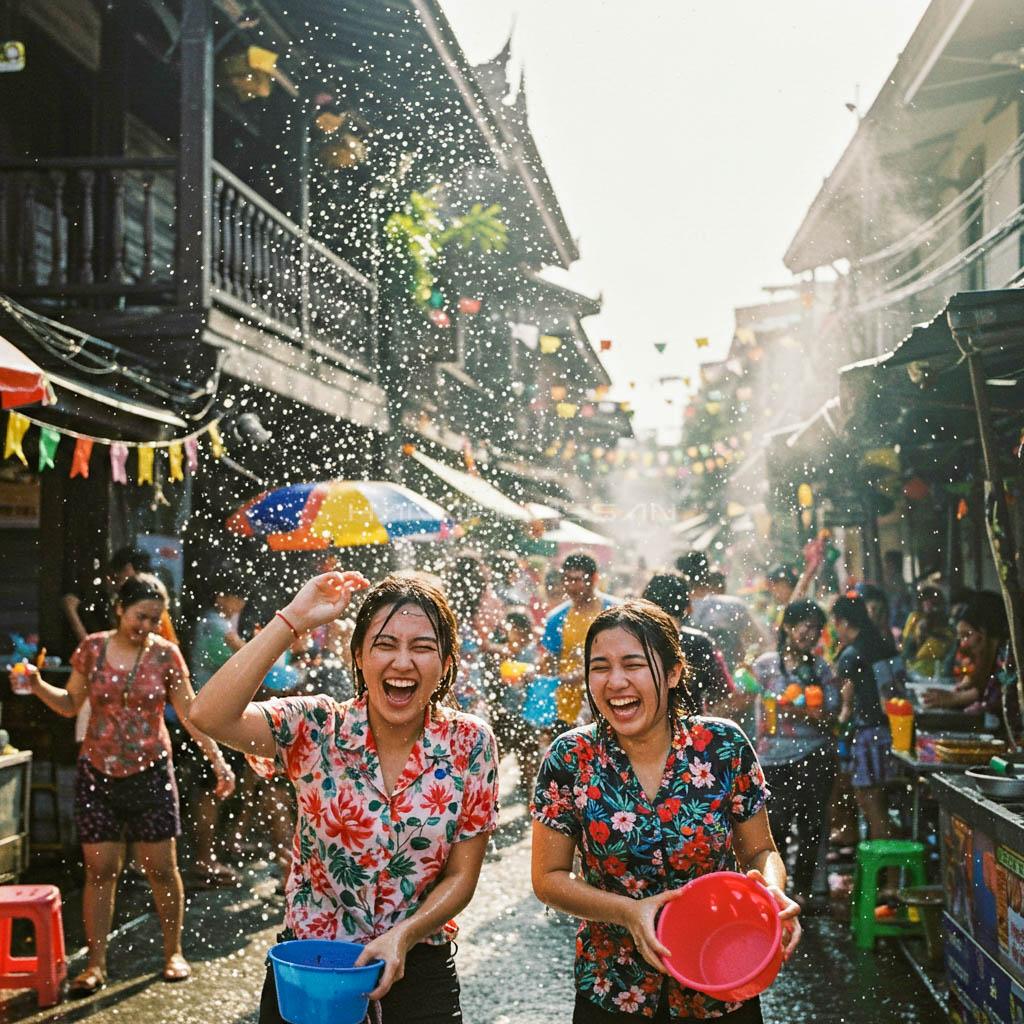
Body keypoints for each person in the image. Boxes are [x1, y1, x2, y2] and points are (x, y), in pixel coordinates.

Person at [188, 571, 500, 1023]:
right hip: (313, 970)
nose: (403, 662)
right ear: (358, 655)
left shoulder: (471, 742)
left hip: (419, 971)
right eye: (386, 644)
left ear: (448, 661)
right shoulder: (315, 726)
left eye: (423, 647)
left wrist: (403, 936)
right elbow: (208, 714)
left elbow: (461, 878)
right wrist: (293, 619)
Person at [531, 600, 800, 1022]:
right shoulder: (571, 756)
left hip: (722, 978)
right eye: (600, 666)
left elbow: (760, 852)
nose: (615, 681)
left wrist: (771, 893)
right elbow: (548, 879)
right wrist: (627, 912)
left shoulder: (721, 745)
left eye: (633, 664)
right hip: (614, 987)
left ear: (673, 672)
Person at [12, 574, 235, 993]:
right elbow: (69, 704)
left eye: (154, 618)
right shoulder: (92, 649)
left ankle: (173, 952)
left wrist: (218, 758)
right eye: (139, 616)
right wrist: (38, 684)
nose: (146, 626)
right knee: (100, 872)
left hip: (151, 772)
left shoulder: (167, 655)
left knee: (163, 871)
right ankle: (95, 965)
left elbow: (190, 713)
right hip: (97, 774)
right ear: (119, 609)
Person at [751, 600, 839, 912]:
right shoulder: (765, 665)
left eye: (814, 626)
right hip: (772, 759)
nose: (807, 631)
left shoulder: (821, 669)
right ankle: (776, 891)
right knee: (775, 826)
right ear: (787, 627)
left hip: (815, 756)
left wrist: (803, 712)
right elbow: (746, 697)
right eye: (801, 623)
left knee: (812, 825)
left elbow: (831, 717)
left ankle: (802, 891)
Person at [832, 596, 899, 864]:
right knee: (885, 807)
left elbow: (847, 707)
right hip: (891, 733)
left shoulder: (851, 654)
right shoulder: (881, 644)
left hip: (868, 735)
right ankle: (887, 876)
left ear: (844, 622)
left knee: (873, 808)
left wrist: (835, 727)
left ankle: (891, 881)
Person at [540, 552, 618, 734]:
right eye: (567, 579)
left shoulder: (614, 612)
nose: (571, 586)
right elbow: (550, 661)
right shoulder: (556, 619)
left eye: (577, 580)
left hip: (608, 703)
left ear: (594, 578)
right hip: (566, 709)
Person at [640, 572, 736, 715]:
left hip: (643, 730)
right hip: (691, 731)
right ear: (688, 607)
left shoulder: (635, 641)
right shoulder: (701, 643)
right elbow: (724, 691)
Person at [680, 552, 767, 671]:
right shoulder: (733, 606)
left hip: (690, 681)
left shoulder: (677, 611)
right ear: (707, 574)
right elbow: (761, 642)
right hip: (729, 680)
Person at [923, 592, 1007, 712]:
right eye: (961, 637)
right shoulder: (989, 658)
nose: (963, 644)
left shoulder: (1007, 655)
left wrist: (955, 698)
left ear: (986, 632)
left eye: (967, 635)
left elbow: (995, 698)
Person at [901, 585, 955, 678]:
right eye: (926, 600)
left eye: (933, 602)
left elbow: (947, 643)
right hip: (914, 666)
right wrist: (918, 635)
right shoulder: (915, 618)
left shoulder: (944, 622)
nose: (929, 604)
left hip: (935, 667)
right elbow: (906, 646)